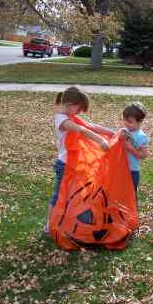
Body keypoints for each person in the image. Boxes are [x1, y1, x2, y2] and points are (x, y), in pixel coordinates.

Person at [45, 86, 115, 233]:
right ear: (70, 104)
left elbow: (91, 126)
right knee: (59, 195)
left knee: (75, 195)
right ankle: (49, 225)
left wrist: (113, 133)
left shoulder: (72, 117)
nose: (79, 112)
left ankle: (66, 222)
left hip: (74, 164)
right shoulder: (61, 120)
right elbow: (81, 130)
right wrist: (101, 141)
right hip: (64, 165)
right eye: (79, 109)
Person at [121, 102, 150, 200]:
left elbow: (144, 155)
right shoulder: (125, 131)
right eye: (124, 119)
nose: (125, 123)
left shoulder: (141, 137)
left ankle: (131, 213)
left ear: (139, 121)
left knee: (130, 196)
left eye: (129, 121)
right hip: (121, 169)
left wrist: (130, 149)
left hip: (132, 171)